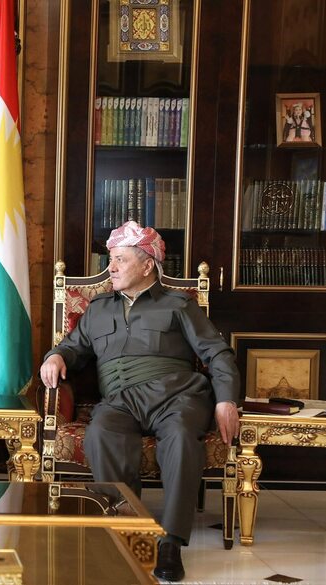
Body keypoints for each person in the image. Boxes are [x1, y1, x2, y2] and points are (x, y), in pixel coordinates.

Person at [39, 221, 240, 583]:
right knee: (101, 432)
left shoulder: (179, 305)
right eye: (111, 259)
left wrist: (226, 400)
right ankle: (125, 527)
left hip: (177, 395)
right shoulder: (98, 309)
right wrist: (55, 357)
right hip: (120, 401)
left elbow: (217, 353)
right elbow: (73, 347)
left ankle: (171, 542)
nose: (111, 268)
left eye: (120, 259)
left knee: (181, 438)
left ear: (147, 265)